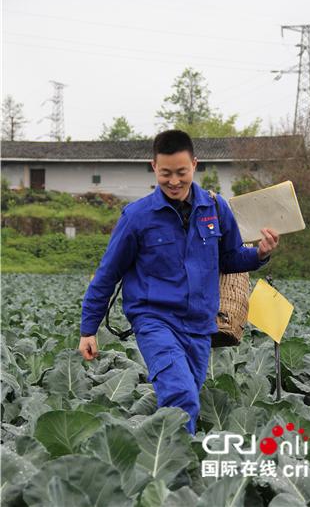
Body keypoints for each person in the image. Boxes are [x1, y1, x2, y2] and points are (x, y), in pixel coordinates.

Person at [79, 130, 279, 435]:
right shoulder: (137, 217)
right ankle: (177, 473)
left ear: (194, 165)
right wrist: (88, 329)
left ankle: (161, 459)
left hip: (200, 325)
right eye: (166, 173)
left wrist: (259, 254)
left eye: (181, 172)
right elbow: (108, 274)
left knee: (185, 401)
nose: (174, 181)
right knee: (181, 397)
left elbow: (230, 259)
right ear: (154, 167)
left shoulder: (215, 208)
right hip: (155, 321)